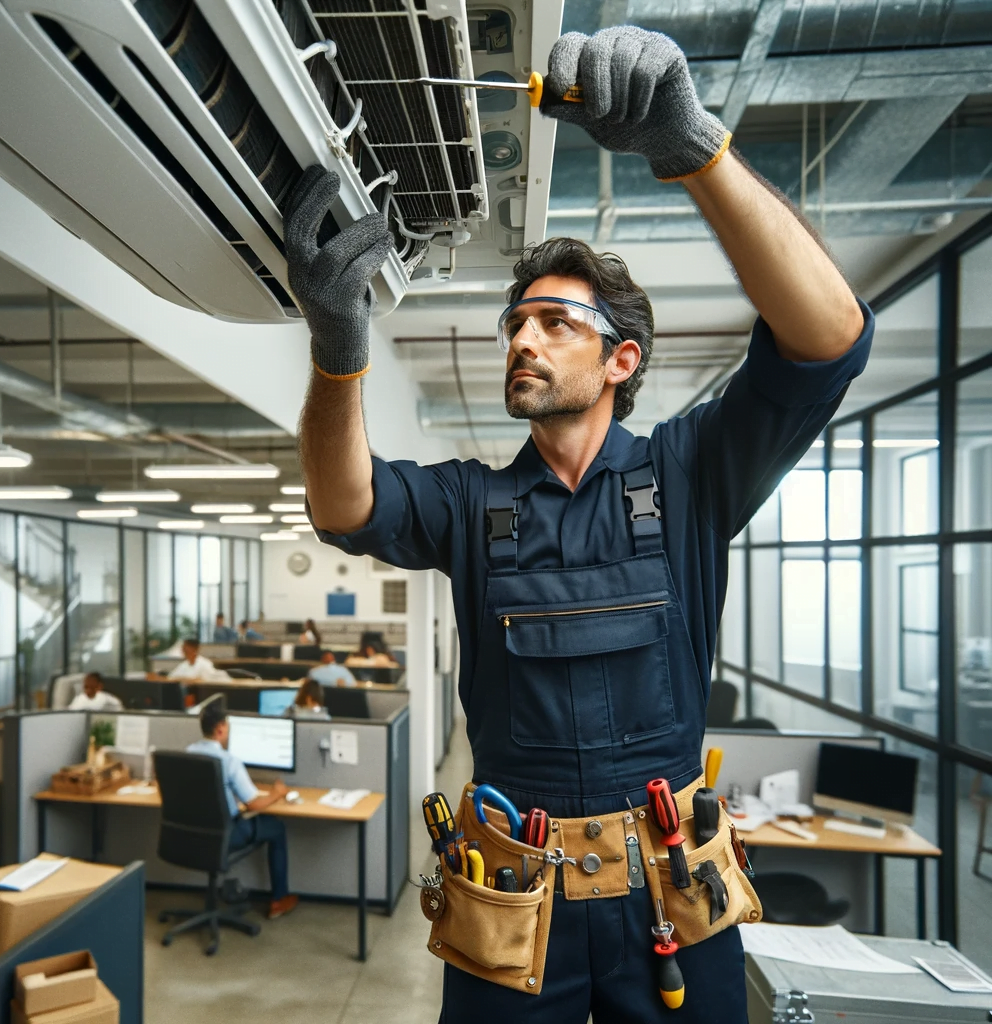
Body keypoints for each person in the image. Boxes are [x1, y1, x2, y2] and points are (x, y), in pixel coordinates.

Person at [289, 25, 871, 1024]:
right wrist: (339, 353)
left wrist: (695, 150)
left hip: (672, 896)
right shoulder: (473, 504)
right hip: (512, 898)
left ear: (622, 360)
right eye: (515, 321)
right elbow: (343, 504)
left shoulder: (687, 476)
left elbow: (826, 345)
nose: (522, 335)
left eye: (555, 321)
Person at [186, 703, 297, 919]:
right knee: (276, 828)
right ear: (220, 729)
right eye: (227, 726)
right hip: (227, 835)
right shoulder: (229, 761)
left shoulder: (187, 754)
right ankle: (279, 899)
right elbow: (253, 804)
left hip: (192, 835)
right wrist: (277, 792)